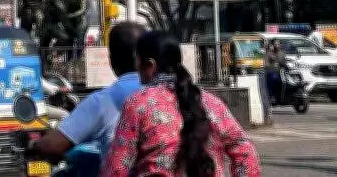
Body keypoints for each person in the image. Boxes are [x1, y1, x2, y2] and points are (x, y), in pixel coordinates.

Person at [101, 31, 260, 177]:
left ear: (150, 65)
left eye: (137, 61)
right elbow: (245, 150)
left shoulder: (138, 104)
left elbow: (117, 167)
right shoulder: (211, 102)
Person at [27, 22, 145, 172]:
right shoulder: (173, 94)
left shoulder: (103, 100)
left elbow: (52, 146)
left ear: (111, 60)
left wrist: (33, 146)